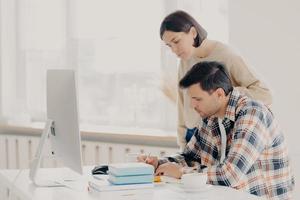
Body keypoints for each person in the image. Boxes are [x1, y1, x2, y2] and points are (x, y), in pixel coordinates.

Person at [139, 61, 294, 200]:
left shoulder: (252, 113)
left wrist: (181, 172)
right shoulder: (210, 117)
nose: (193, 105)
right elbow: (191, 157)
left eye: (198, 99)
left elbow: (230, 175)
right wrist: (159, 164)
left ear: (219, 94)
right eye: (192, 99)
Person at [160, 10, 273, 150]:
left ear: (193, 32)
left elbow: (264, 94)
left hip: (219, 137)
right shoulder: (185, 60)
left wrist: (224, 95)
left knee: (218, 173)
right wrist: (183, 142)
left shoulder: (227, 55)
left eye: (176, 41)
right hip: (192, 136)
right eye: (169, 46)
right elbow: (182, 103)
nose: (174, 50)